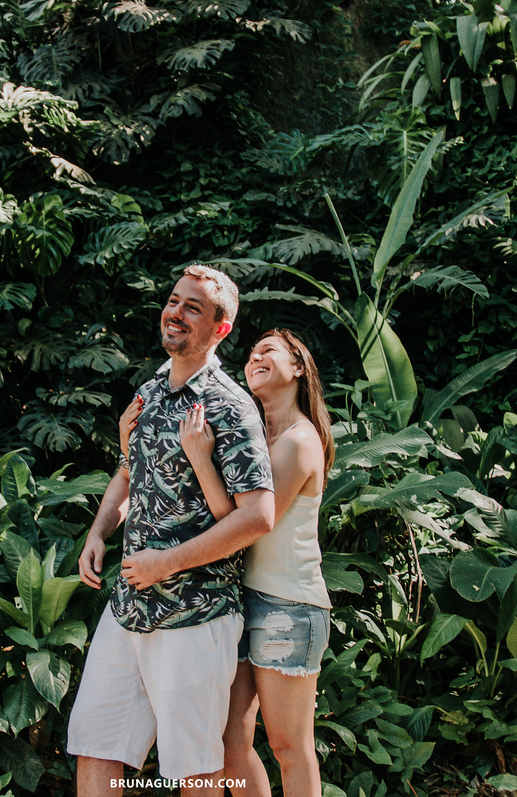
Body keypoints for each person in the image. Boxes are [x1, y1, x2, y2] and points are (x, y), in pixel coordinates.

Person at [67, 265, 276, 797]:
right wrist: (99, 532)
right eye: (173, 300)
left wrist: (169, 561)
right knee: (97, 743)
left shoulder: (231, 406)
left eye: (193, 308)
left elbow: (257, 515)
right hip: (129, 606)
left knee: (195, 769)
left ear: (220, 329)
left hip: (194, 612)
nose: (175, 312)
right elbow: (128, 468)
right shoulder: (152, 388)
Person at [124, 328, 334, 797]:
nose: (255, 357)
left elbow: (245, 525)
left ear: (299, 367)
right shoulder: (254, 433)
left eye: (270, 351)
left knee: (288, 746)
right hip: (237, 600)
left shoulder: (300, 441)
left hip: (288, 607)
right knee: (229, 743)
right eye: (252, 352)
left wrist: (200, 458)